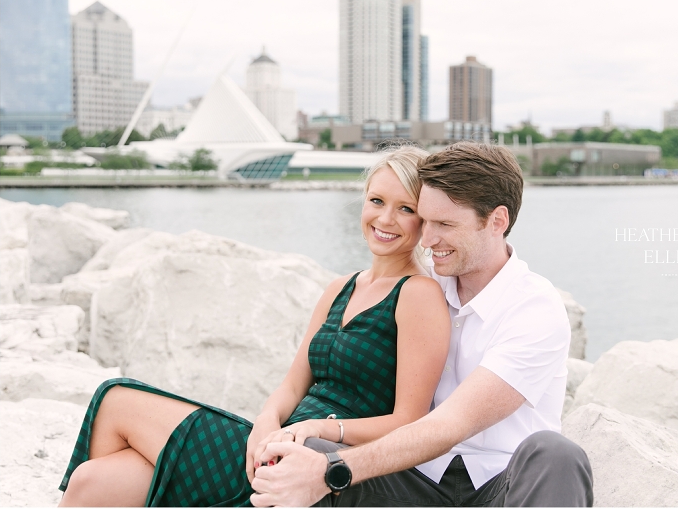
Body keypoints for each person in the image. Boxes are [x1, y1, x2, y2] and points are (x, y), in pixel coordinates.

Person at [57, 146, 452, 507]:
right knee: (93, 482)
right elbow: (294, 385)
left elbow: (409, 422)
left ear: (425, 220)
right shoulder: (341, 288)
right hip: (274, 446)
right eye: (377, 201)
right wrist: (265, 421)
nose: (385, 218)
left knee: (115, 398)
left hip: (318, 462)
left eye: (405, 209)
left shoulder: (417, 294)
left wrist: (324, 429)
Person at [250, 141, 594, 507]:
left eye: (445, 224)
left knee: (556, 453)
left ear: (497, 222)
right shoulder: (420, 287)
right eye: (425, 220)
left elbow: (451, 425)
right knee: (309, 453)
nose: (427, 240)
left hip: (500, 489)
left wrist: (333, 469)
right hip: (417, 483)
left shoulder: (534, 309)